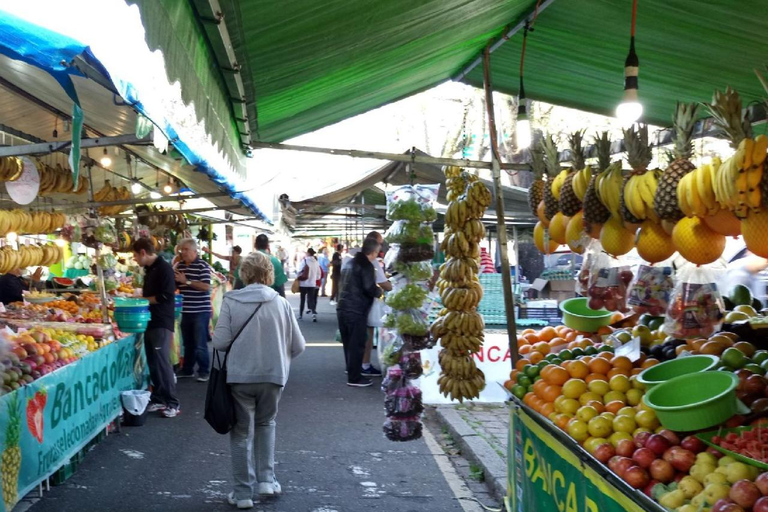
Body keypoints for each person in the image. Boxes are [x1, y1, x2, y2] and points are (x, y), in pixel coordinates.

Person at [212, 251, 305, 508]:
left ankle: (243, 494)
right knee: (266, 423)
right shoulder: (281, 303)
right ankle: (266, 480)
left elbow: (219, 342)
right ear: (269, 274)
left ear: (244, 273)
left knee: (241, 432)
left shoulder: (231, 300)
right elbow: (298, 346)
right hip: (273, 377)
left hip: (240, 376)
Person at [133, 238, 180, 418]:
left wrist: (142, 300)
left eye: (135, 255)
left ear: (143, 252)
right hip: (150, 320)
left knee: (161, 362)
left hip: (161, 321)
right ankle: (159, 398)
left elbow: (166, 296)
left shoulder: (164, 269)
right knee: (153, 361)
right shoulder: (150, 269)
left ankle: (172, 403)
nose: (135, 259)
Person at [337, 237, 382, 387]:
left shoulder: (349, 263)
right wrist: (379, 292)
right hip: (356, 308)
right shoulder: (366, 266)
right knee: (357, 344)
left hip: (342, 307)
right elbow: (369, 287)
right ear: (374, 252)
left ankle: (351, 371)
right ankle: (355, 378)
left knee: (348, 343)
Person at [174, 239, 212, 382]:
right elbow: (175, 285)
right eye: (182, 250)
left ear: (195, 251)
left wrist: (187, 281)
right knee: (188, 343)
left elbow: (206, 286)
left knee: (200, 343)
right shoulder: (180, 266)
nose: (183, 252)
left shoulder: (202, 265)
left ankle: (204, 371)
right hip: (186, 311)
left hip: (200, 311)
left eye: (186, 249)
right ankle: (187, 369)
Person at [362, 231, 392, 377]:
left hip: (354, 303)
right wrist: (393, 286)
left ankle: (356, 365)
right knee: (367, 334)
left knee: (360, 335)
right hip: (365, 302)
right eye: (380, 244)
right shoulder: (372, 262)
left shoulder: (357, 258)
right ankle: (364, 365)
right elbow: (382, 282)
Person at [297, 248, 321, 321]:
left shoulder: (304, 261)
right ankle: (313, 314)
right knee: (311, 299)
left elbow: (299, 271)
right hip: (312, 284)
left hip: (303, 283)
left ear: (308, 253)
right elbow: (318, 275)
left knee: (302, 299)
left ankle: (300, 315)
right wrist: (313, 278)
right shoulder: (316, 262)